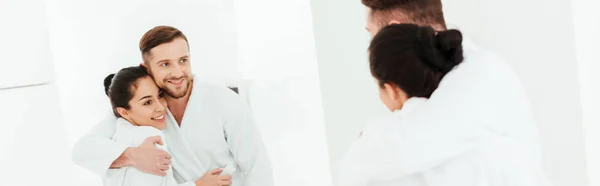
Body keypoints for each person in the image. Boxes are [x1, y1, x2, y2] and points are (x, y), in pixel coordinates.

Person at [337, 0, 550, 185]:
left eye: (371, 34)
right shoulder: (433, 86)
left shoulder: (481, 74)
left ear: (394, 29)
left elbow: (405, 148)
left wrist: (365, 139)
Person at [72, 26, 273, 186]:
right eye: (165, 64)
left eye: (183, 60)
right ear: (146, 67)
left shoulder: (224, 100)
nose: (178, 72)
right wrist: (133, 156)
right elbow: (83, 150)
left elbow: (257, 166)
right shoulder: (138, 111)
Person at [101, 66, 231, 186]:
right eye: (147, 102)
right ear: (124, 112)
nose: (161, 107)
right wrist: (200, 184)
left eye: (160, 95)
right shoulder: (147, 138)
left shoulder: (119, 137)